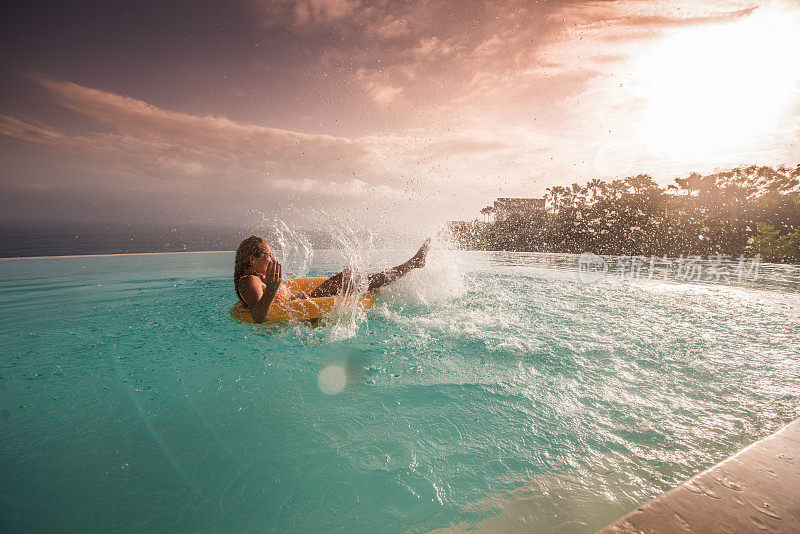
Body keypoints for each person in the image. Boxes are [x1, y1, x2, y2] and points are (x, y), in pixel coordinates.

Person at [234, 235, 430, 323]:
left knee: (353, 277)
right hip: (308, 309)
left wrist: (272, 284)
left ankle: (408, 267)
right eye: (268, 255)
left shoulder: (257, 277)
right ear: (253, 258)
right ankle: (412, 264)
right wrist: (273, 287)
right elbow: (258, 317)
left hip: (308, 299)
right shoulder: (249, 281)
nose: (273, 258)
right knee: (354, 279)